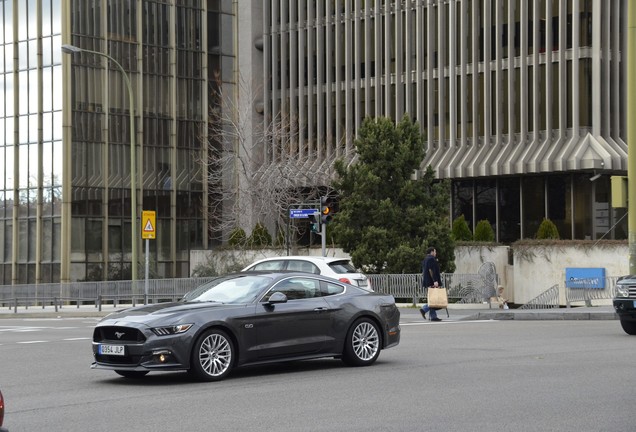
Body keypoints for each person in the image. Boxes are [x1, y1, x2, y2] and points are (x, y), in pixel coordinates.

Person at [420, 246, 443, 322]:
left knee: (432, 298)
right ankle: (424, 309)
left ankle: (433, 316)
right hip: (431, 282)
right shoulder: (431, 259)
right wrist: (435, 281)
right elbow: (432, 271)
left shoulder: (425, 259)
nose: (436, 253)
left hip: (427, 281)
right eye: (435, 251)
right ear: (432, 252)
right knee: (433, 300)